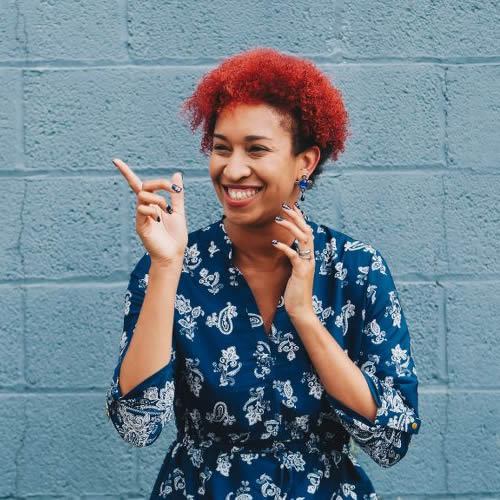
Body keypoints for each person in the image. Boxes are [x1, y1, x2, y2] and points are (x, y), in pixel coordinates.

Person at [105, 48, 422, 499]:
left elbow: (391, 439)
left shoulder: (356, 268)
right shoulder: (171, 265)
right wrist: (166, 266)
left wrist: (305, 318)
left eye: (256, 149)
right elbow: (137, 425)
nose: (233, 169)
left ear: (305, 162)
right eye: (221, 148)